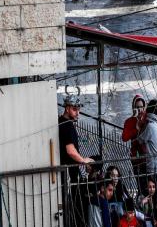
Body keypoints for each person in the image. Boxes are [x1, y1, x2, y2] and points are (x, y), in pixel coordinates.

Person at [58, 96, 94, 226]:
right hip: (69, 174)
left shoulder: (61, 122)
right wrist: (84, 161)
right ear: (67, 108)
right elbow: (70, 151)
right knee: (73, 208)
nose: (77, 113)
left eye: (78, 109)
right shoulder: (67, 126)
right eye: (74, 109)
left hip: (66, 172)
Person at [122, 95, 148, 194]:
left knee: (149, 184)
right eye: (137, 107)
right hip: (136, 157)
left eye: (141, 106)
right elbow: (124, 138)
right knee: (140, 184)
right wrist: (136, 128)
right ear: (134, 108)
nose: (140, 109)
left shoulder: (147, 119)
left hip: (147, 156)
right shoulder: (130, 121)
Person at [137, 100, 157, 182]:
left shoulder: (149, 126)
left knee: (150, 188)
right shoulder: (156, 125)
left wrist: (139, 125)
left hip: (152, 165)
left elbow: (140, 140)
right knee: (155, 187)